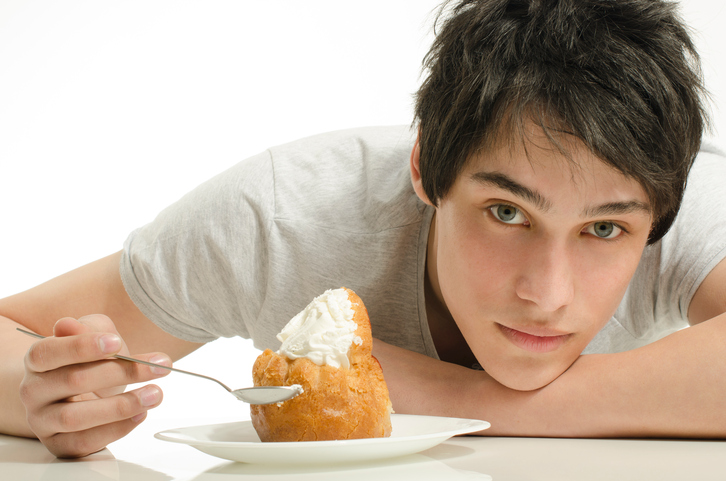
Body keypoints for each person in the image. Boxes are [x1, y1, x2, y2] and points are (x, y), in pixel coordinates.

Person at [1, 0, 724, 458]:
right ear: (424, 171)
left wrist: (439, 396)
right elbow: (15, 334)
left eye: (602, 231)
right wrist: (44, 396)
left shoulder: (662, 184)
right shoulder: (285, 218)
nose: (547, 293)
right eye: (507, 213)